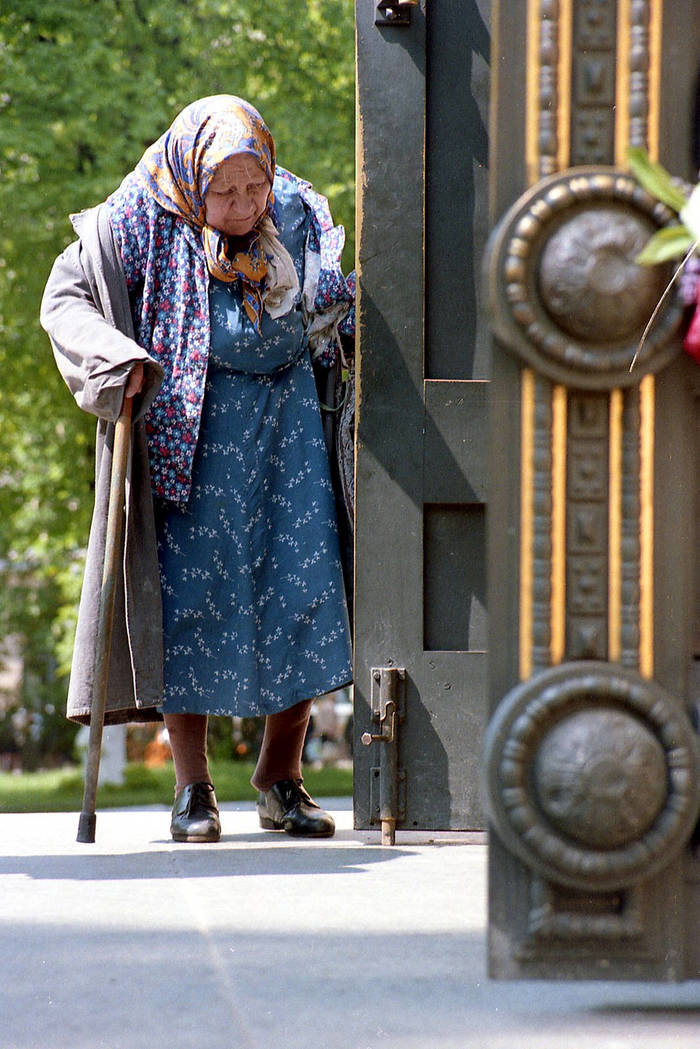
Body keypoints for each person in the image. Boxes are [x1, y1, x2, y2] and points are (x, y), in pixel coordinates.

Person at [41, 95, 354, 843]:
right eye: (227, 192)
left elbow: (334, 299)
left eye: (255, 187)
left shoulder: (298, 209)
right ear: (193, 179)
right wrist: (116, 359)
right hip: (194, 433)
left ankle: (283, 778)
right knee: (192, 606)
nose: (245, 206)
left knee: (302, 595)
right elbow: (65, 299)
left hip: (289, 428)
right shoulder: (141, 214)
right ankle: (194, 790)